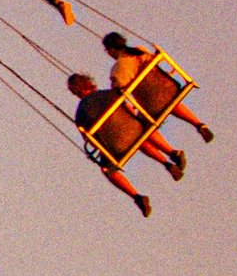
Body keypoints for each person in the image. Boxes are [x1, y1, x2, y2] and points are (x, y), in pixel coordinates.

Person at [67, 71, 173, 213]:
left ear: (76, 92)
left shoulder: (80, 114)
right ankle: (167, 161)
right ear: (89, 83)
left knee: (107, 170)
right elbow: (129, 110)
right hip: (134, 131)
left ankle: (137, 196)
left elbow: (91, 142)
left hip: (115, 146)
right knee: (141, 136)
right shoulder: (111, 94)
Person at [100, 32, 213, 143]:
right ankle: (198, 124)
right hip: (168, 88)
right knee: (168, 102)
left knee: (141, 126)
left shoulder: (117, 69)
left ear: (111, 49)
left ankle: (171, 154)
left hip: (150, 105)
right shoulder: (140, 50)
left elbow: (118, 90)